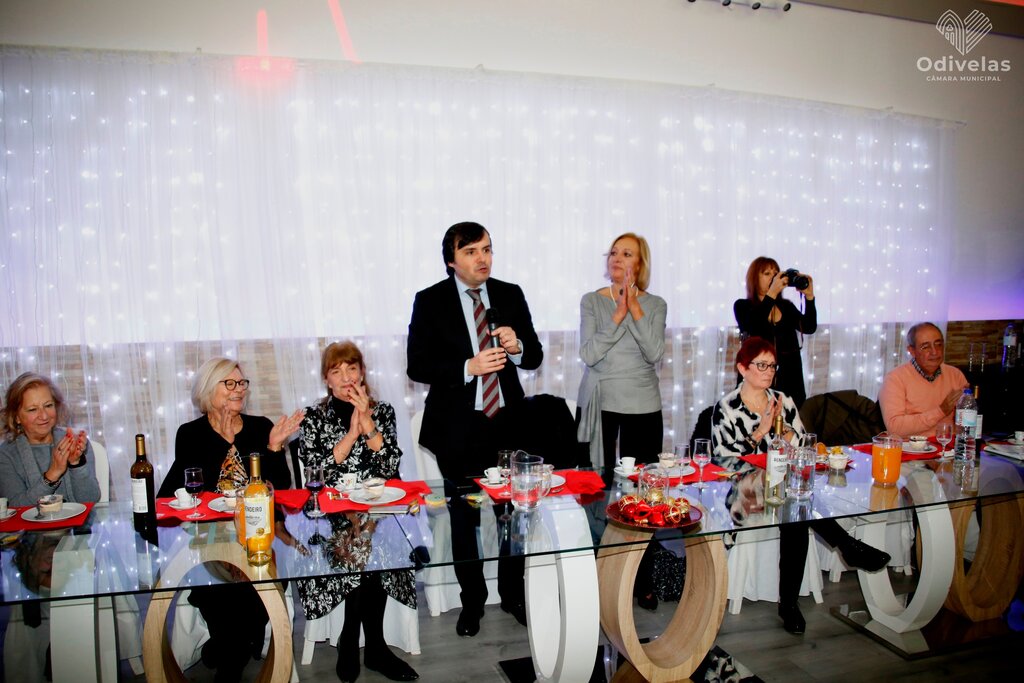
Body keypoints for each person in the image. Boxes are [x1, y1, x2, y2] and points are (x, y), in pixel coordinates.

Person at [406, 221, 543, 637]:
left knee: (513, 516)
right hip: (458, 429)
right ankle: (472, 601)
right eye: (471, 252)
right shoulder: (430, 300)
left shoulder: (510, 293)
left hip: (508, 425)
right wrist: (468, 366)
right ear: (451, 261)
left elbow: (534, 356)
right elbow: (417, 365)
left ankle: (513, 593)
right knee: (465, 519)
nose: (482, 258)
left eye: (487, 249)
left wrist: (518, 348)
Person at [711, 337, 890, 634]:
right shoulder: (726, 408)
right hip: (742, 490)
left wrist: (786, 430)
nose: (769, 371)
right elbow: (723, 462)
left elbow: (804, 448)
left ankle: (790, 603)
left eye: (772, 366)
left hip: (782, 484)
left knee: (796, 506)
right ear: (742, 368)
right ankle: (845, 546)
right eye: (761, 365)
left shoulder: (783, 400)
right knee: (797, 503)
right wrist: (760, 433)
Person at [158, 357, 303, 683]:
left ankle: (226, 654)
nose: (239, 389)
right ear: (209, 390)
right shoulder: (190, 433)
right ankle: (237, 650)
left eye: (242, 383)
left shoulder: (260, 426)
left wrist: (274, 448)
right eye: (230, 383)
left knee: (260, 584)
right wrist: (221, 442)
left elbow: (280, 488)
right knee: (218, 589)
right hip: (210, 535)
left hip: (259, 532)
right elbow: (184, 489)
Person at [296, 341, 418, 682]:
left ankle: (362, 644)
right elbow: (315, 475)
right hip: (330, 514)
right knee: (361, 542)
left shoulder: (383, 411)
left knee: (375, 536)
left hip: (377, 510)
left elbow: (391, 468)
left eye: (352, 369)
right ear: (327, 379)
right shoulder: (313, 417)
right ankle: (360, 641)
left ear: (362, 373)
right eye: (337, 372)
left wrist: (368, 425)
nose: (346, 377)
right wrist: (352, 433)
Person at [576, 232, 667, 474]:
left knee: (643, 484)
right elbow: (589, 354)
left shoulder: (656, 304)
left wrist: (634, 308)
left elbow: (654, 353)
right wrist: (618, 315)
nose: (616, 258)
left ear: (640, 264)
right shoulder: (591, 301)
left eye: (626, 254)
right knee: (595, 483)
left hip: (642, 404)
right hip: (599, 402)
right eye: (613, 253)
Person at [0, 372, 100, 506]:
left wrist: (76, 463)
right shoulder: (6, 454)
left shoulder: (75, 443)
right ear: (16, 417)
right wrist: (52, 474)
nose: (44, 416)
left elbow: (91, 500)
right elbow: (15, 506)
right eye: (32, 409)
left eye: (48, 405)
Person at [733, 256, 816, 407]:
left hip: (790, 378)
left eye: (776, 274)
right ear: (754, 278)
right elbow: (754, 326)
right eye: (767, 273)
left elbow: (809, 327)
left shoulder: (786, 306)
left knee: (791, 418)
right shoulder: (742, 306)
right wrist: (771, 293)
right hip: (759, 376)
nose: (773, 278)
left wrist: (809, 297)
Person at [878, 322, 968, 439]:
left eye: (938, 344)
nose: (934, 352)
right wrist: (941, 411)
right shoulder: (895, 379)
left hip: (947, 446)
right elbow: (895, 428)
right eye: (926, 347)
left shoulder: (955, 375)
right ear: (912, 351)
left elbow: (966, 423)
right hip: (910, 448)